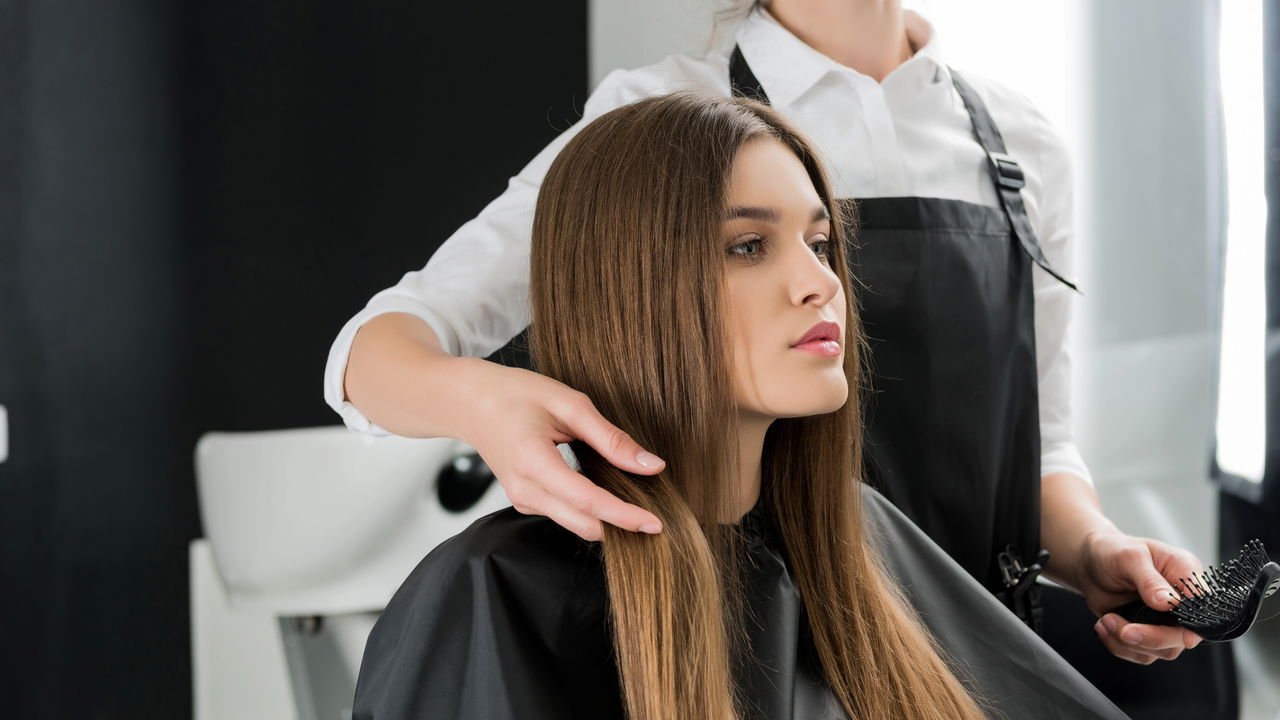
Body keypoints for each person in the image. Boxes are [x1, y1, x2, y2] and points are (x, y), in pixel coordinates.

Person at [328, 0, 1202, 665]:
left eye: (822, 243)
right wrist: (486, 401)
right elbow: (371, 356)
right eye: (748, 244)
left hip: (969, 652)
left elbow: (1035, 440)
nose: (816, 280)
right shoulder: (662, 119)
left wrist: (1092, 549)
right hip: (753, 649)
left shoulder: (1023, 145)